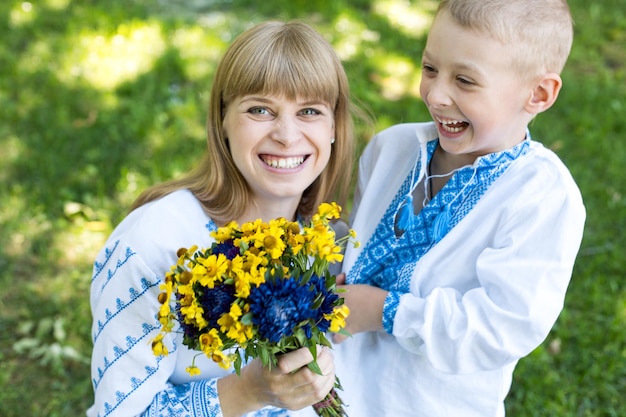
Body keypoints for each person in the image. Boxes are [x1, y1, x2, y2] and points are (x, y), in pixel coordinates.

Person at [88, 20, 356, 417]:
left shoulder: (321, 240)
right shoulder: (153, 245)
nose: (286, 134)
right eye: (260, 109)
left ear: (333, 126)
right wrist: (247, 392)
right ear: (223, 121)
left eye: (310, 111)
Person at [331, 1, 586, 416]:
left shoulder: (541, 195)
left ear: (538, 94)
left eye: (465, 81)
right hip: (334, 388)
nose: (436, 94)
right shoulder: (391, 148)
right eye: (430, 68)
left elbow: (502, 326)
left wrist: (384, 310)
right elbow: (353, 245)